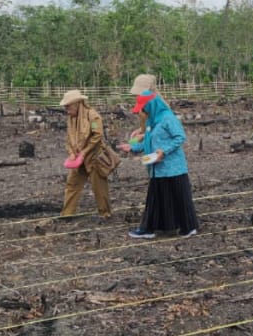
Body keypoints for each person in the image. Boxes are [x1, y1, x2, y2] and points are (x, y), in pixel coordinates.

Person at [117, 77, 199, 239]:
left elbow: (180, 137)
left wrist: (164, 151)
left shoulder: (167, 118)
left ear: (151, 105)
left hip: (174, 168)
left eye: (144, 108)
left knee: (180, 199)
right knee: (157, 200)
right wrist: (132, 147)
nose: (142, 111)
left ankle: (188, 228)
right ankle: (151, 229)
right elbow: (148, 141)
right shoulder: (152, 121)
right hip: (157, 168)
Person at [59, 89, 117, 220]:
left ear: (77, 104)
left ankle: (105, 214)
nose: (66, 110)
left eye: (68, 106)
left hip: (94, 157)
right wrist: (71, 152)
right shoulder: (71, 118)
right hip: (78, 158)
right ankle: (67, 214)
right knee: (72, 184)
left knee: (99, 187)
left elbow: (97, 135)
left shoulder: (93, 116)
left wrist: (85, 152)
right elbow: (69, 138)